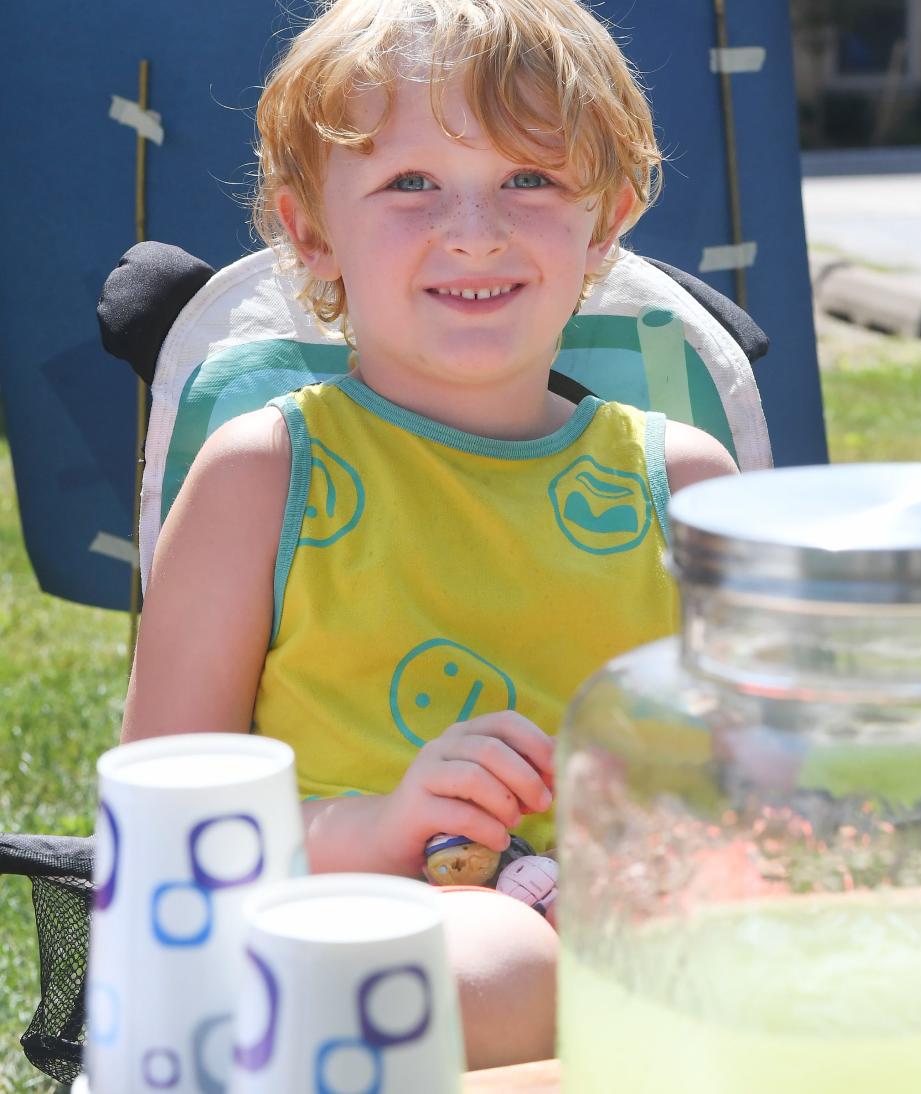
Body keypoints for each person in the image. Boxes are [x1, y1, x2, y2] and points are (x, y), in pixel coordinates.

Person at [122, 0, 738, 1068]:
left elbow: (766, 780)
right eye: (410, 182)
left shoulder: (682, 485)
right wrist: (380, 827)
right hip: (362, 951)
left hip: (661, 952)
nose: (475, 228)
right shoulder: (262, 481)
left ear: (607, 221)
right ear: (311, 230)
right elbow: (162, 848)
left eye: (530, 179)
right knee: (495, 958)